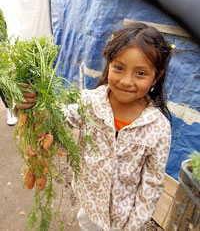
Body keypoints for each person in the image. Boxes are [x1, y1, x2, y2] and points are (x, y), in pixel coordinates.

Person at [17, 22, 172, 231]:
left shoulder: (159, 127)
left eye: (140, 73)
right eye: (119, 68)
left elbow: (152, 184)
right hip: (89, 202)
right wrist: (32, 106)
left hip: (124, 217)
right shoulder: (89, 102)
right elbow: (58, 118)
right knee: (87, 224)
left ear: (157, 76)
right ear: (109, 65)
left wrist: (134, 225)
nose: (126, 81)